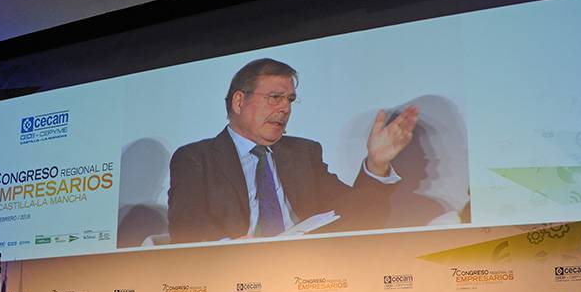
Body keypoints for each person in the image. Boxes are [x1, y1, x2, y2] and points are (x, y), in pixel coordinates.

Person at [168, 58, 419, 243]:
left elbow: (356, 210)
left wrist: (376, 164)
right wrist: (233, 250)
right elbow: (187, 227)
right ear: (239, 101)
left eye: (289, 100)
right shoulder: (196, 159)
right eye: (275, 97)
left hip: (307, 270)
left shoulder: (303, 154)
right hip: (235, 274)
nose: (286, 109)